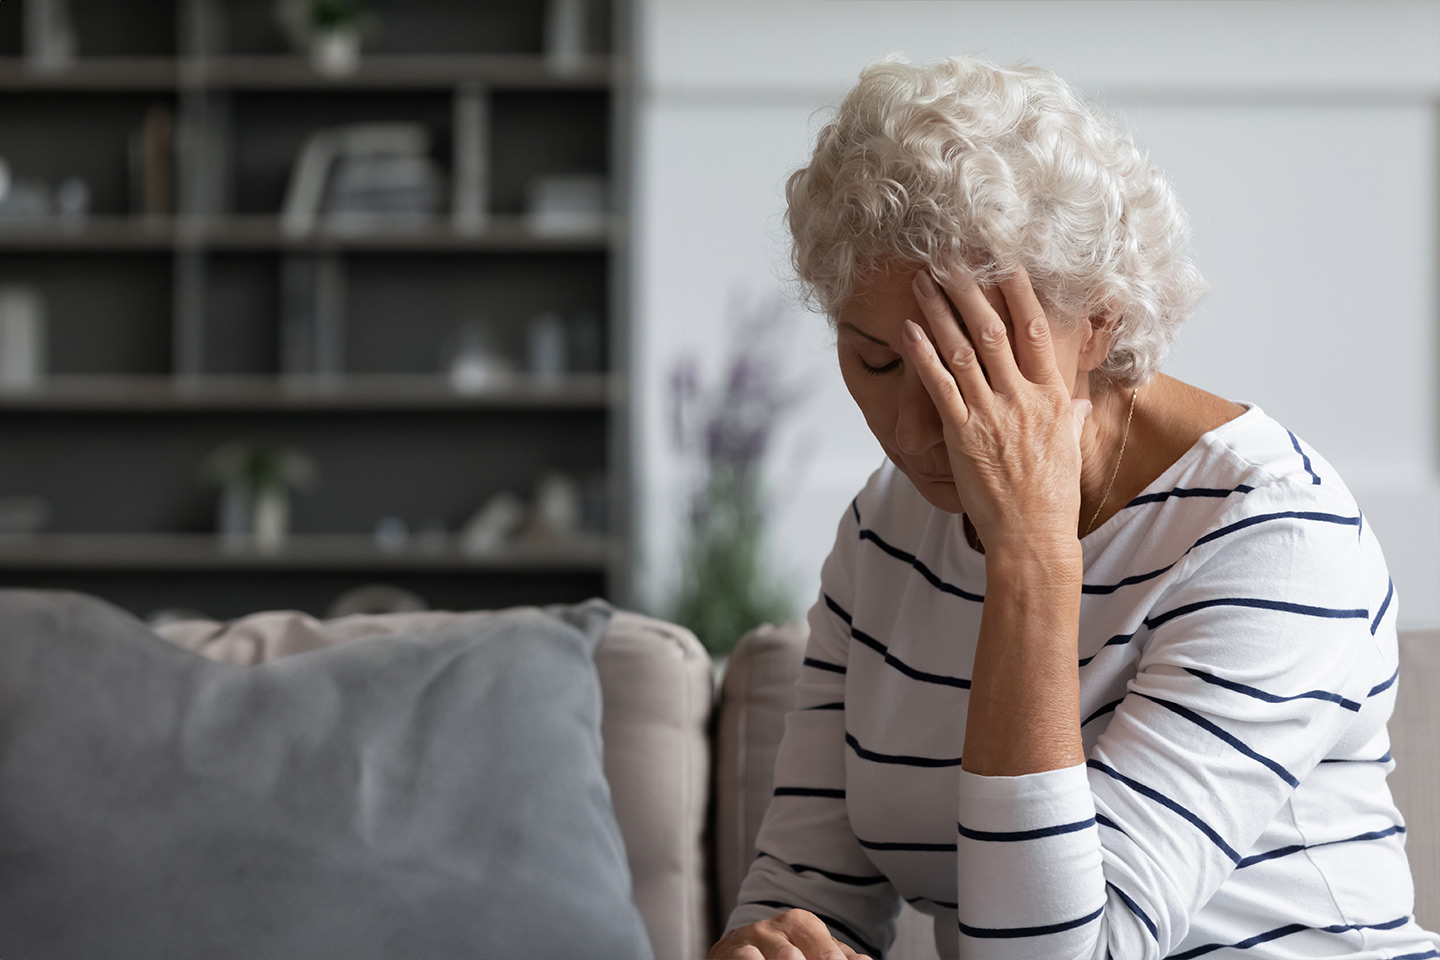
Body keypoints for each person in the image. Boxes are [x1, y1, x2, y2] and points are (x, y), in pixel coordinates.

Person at [709, 56, 1439, 960]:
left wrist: (1033, 558)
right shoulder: (888, 527)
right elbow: (805, 891)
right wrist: (767, 946)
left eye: (970, 363)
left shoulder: (1279, 537)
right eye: (877, 362)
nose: (911, 427)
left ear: (1099, 320)